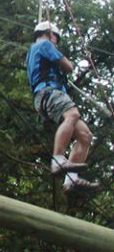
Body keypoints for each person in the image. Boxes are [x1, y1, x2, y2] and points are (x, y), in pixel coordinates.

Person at [26, 21, 99, 194]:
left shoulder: (32, 52)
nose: (56, 42)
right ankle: (58, 159)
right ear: (50, 34)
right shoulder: (44, 44)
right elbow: (68, 66)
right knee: (72, 115)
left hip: (45, 96)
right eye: (56, 39)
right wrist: (62, 59)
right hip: (49, 92)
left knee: (85, 135)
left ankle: (71, 180)